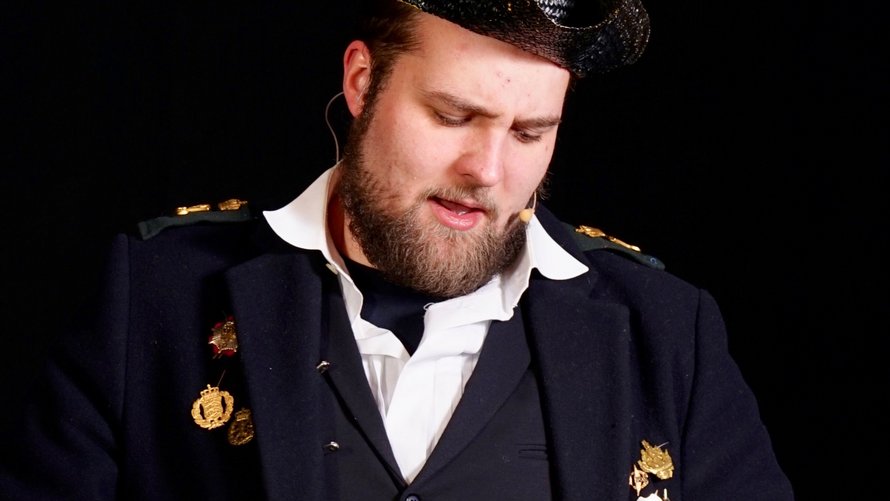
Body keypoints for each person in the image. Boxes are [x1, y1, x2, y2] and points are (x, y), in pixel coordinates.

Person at [0, 0, 794, 500]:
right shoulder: (156, 295)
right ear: (361, 81)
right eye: (452, 116)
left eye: (529, 133)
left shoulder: (668, 331)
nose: (487, 171)